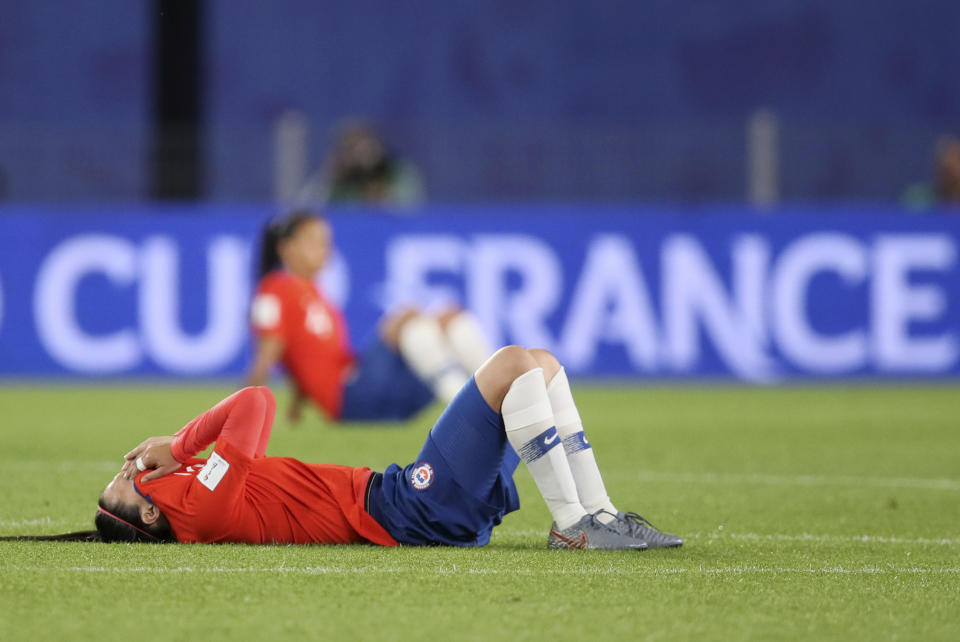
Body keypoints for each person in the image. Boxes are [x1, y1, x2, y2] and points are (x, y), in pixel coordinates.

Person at [10, 347, 683, 550]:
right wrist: (174, 440)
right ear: (150, 515)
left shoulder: (190, 498)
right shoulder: (199, 509)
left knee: (540, 366)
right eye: (124, 484)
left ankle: (598, 515)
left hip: (403, 506)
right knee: (513, 366)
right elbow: (256, 401)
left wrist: (178, 451)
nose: (130, 467)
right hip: (404, 511)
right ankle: (576, 527)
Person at [250, 210, 491, 423]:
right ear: (286, 248)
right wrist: (242, 408)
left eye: (326, 242)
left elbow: (302, 359)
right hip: (351, 398)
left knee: (448, 319)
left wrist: (295, 408)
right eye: (314, 241)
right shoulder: (273, 290)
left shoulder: (315, 293)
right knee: (405, 321)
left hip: (372, 401)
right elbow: (269, 351)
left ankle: (494, 395)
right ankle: (472, 408)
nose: (324, 250)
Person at [298, 120, 424, 208]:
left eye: (366, 148)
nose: (360, 156)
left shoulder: (398, 172)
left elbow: (412, 209)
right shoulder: (339, 180)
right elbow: (306, 207)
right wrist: (328, 176)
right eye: (351, 149)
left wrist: (383, 197)